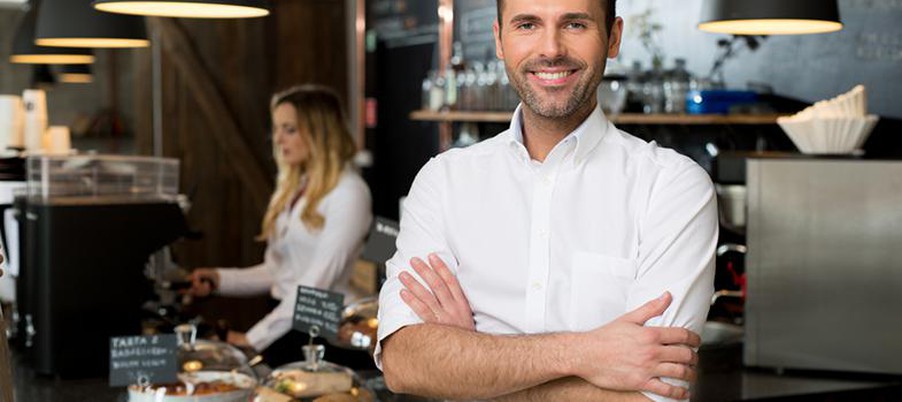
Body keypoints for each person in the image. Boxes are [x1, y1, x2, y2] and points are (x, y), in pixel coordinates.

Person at [376, 0, 717, 401]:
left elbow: (652, 397)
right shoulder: (443, 181)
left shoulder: (672, 187)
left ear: (613, 37)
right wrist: (586, 353)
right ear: (499, 39)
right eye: (527, 25)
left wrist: (474, 366)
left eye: (574, 24)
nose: (551, 48)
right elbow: (404, 363)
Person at [187, 85, 373, 368]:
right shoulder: (294, 187)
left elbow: (316, 285)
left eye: (289, 129)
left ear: (319, 132)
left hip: (324, 331)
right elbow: (277, 271)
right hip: (285, 320)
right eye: (276, 129)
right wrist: (219, 279)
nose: (277, 139)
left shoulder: (349, 193)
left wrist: (253, 339)